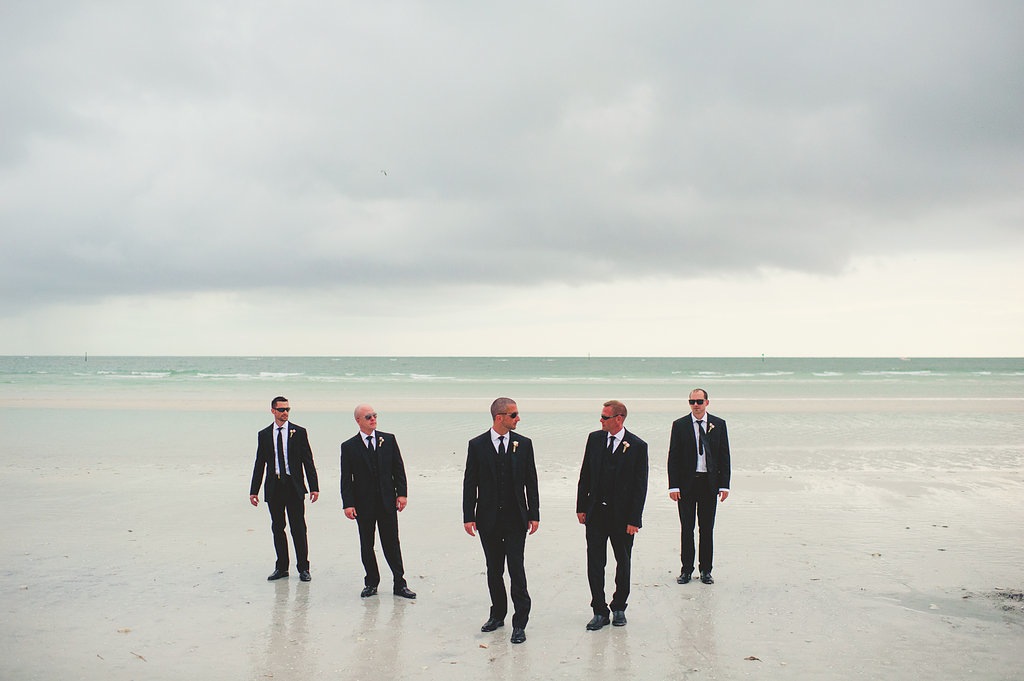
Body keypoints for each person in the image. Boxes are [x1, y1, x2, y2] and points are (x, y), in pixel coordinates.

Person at [463, 398, 539, 645]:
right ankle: (497, 615)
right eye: (514, 414)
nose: (518, 418)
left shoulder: (524, 444)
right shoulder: (476, 445)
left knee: (517, 570)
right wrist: (468, 516)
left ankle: (520, 623)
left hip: (517, 518)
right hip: (487, 519)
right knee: (494, 570)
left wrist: (534, 514)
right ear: (499, 417)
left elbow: (531, 481)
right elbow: (470, 482)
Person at [576, 400, 649, 630]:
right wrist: (581, 507)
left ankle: (619, 607)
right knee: (595, 563)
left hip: (623, 518)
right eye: (601, 416)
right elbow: (585, 473)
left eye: (605, 417)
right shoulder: (594, 439)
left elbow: (640, 486)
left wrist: (634, 519)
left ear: (619, 419)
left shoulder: (637, 446)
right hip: (595, 514)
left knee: (623, 562)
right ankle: (599, 610)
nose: (601, 420)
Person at [340, 404, 416, 599]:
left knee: (392, 543)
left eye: (374, 415)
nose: (373, 419)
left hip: (387, 501)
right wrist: (348, 504)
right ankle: (371, 582)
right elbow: (346, 478)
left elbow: (398, 469)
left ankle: (400, 583)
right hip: (363, 504)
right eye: (368, 417)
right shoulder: (348, 447)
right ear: (358, 421)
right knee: (367, 544)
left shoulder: (388, 440)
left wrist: (402, 494)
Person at [249, 396, 320, 581]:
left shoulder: (299, 432)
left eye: (288, 409)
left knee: (298, 528)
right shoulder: (264, 434)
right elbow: (260, 463)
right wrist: (253, 491)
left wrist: (314, 487)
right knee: (278, 527)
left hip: (294, 486)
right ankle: (282, 567)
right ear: (273, 411)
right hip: (274, 486)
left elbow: (308, 461)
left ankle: (303, 568)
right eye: (281, 409)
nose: (285, 412)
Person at [667, 388, 731, 585]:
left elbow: (724, 456)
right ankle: (686, 570)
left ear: (707, 403)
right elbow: (673, 457)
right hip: (686, 484)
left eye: (699, 401)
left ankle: (706, 570)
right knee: (687, 528)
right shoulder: (680, 425)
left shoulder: (718, 424)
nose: (695, 405)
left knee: (706, 528)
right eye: (692, 401)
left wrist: (724, 485)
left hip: (709, 484)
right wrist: (673, 486)